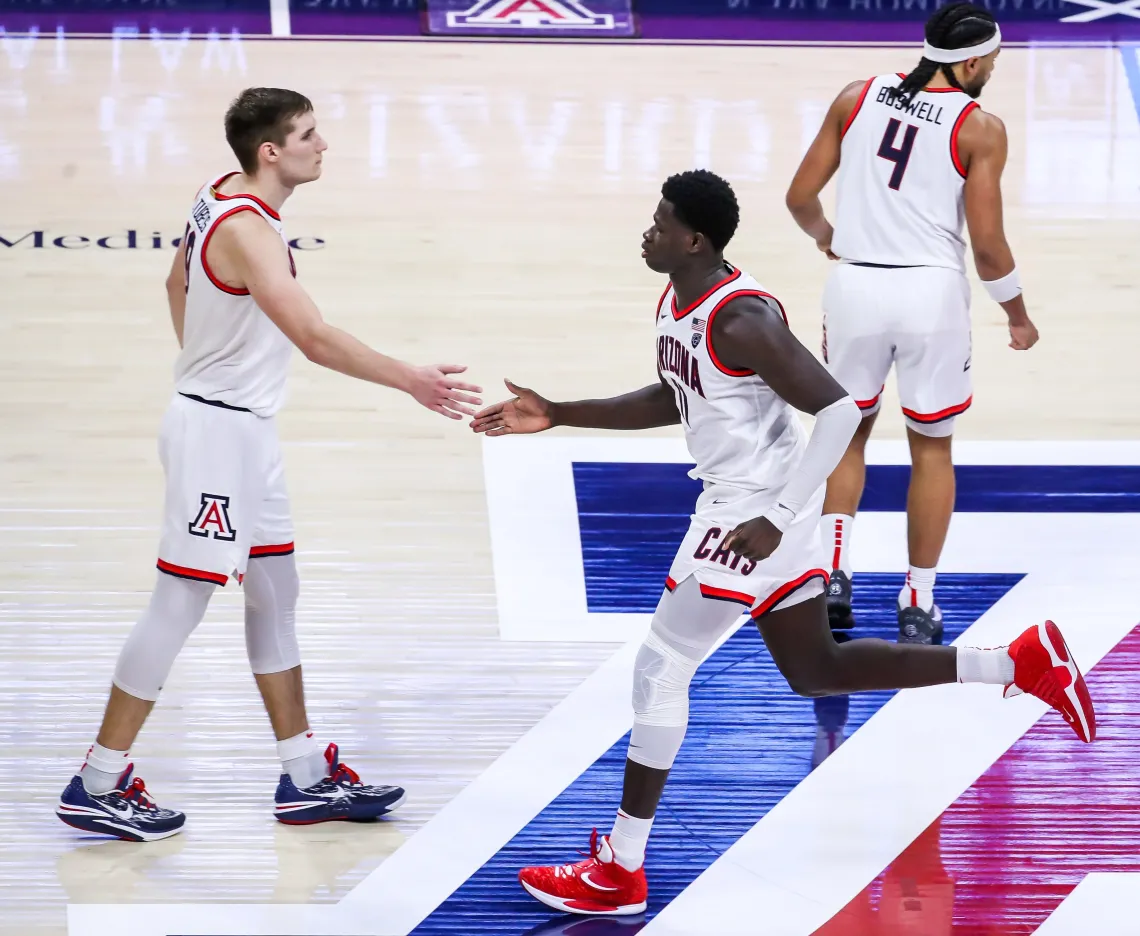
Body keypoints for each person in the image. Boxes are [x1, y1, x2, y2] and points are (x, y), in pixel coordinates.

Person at [471, 169, 1092, 917]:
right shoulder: (681, 299)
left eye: (661, 223)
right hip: (760, 516)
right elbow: (677, 393)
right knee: (815, 670)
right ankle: (1013, 663)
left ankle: (620, 869)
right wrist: (561, 410)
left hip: (751, 517)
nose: (649, 232)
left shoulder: (742, 319)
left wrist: (780, 513)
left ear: (694, 239)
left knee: (662, 666)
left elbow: (838, 410)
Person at [56, 87, 482, 842]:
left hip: (241, 432)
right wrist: (411, 379)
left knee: (275, 592)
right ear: (270, 153)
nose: (325, 145)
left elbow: (173, 282)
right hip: (217, 438)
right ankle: (96, 780)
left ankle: (305, 775)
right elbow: (314, 337)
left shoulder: (214, 192)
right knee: (179, 602)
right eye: (310, 135)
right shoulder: (249, 228)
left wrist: (203, 364)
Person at [786, 2, 1038, 643]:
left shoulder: (857, 96)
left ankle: (833, 577)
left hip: (855, 288)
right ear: (975, 61)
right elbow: (987, 246)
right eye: (994, 63)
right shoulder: (980, 128)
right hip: (930, 298)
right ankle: (918, 602)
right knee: (931, 448)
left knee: (846, 433)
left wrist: (828, 239)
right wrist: (1016, 313)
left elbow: (799, 197)